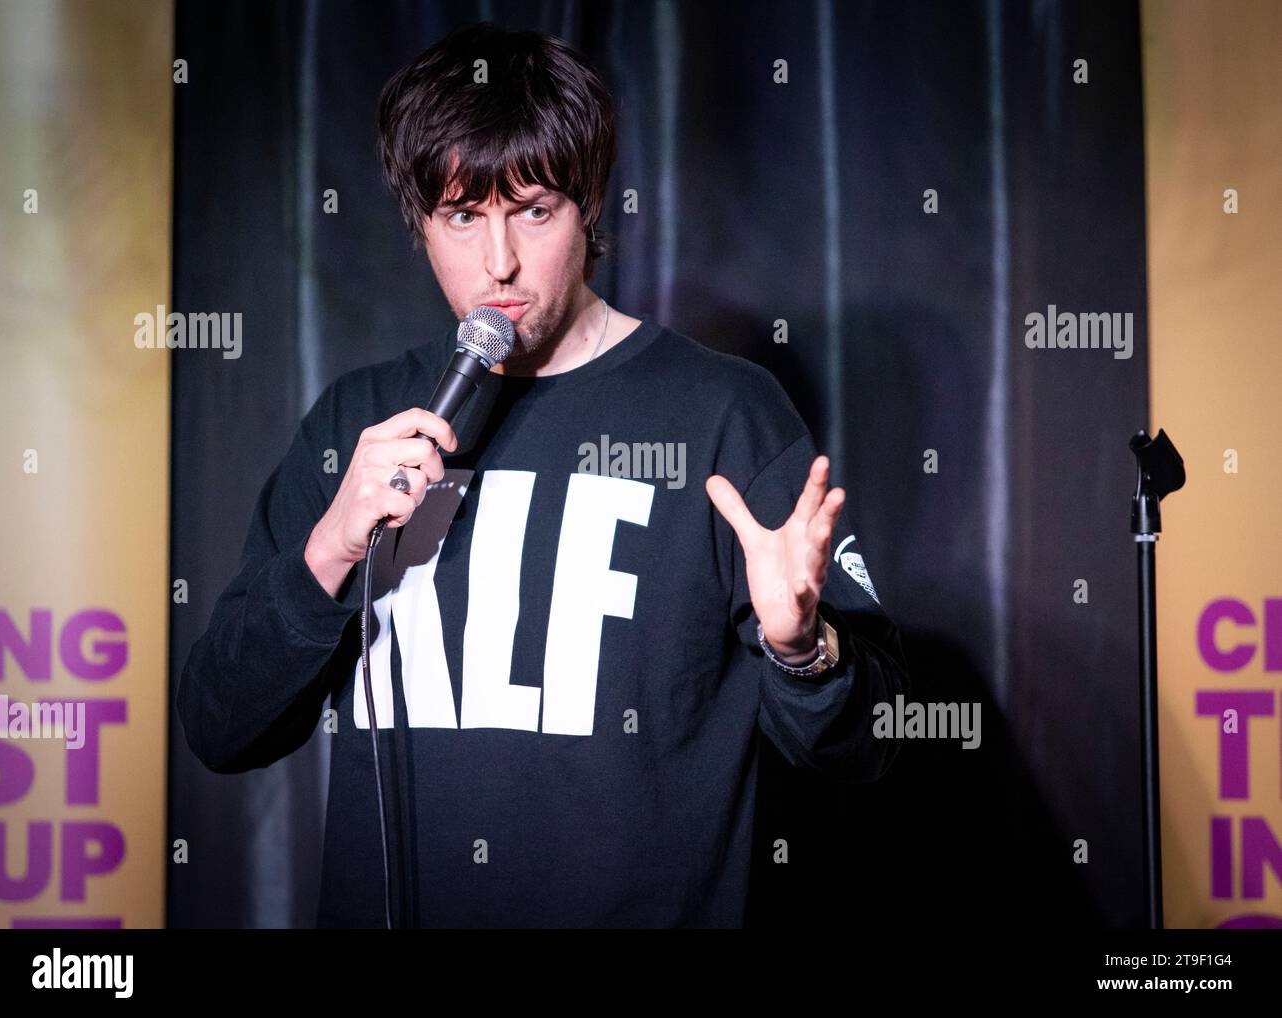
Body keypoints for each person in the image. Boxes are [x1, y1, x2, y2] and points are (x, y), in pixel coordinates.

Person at [177, 20, 909, 928]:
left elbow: (872, 740)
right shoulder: (356, 422)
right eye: (462, 216)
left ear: (589, 204)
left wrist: (802, 650)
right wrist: (326, 552)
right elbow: (218, 726)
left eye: (533, 210)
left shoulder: (724, 412)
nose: (500, 264)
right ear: (421, 222)